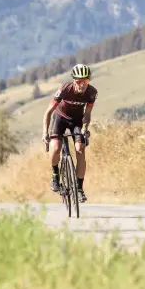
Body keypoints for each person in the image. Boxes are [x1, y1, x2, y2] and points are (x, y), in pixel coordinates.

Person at [42, 63, 97, 203]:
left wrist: (85, 128)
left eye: (85, 81)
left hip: (77, 121)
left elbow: (88, 114)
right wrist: (44, 133)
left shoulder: (91, 93)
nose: (82, 85)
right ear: (74, 81)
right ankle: (55, 176)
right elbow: (48, 112)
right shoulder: (65, 89)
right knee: (55, 148)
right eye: (79, 81)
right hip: (60, 118)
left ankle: (79, 189)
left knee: (80, 149)